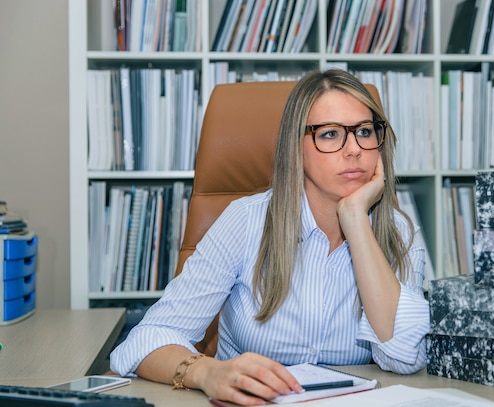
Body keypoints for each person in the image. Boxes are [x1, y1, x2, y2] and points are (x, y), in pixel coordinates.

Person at [110, 69, 430, 406]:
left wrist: (355, 220)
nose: (353, 150)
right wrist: (208, 372)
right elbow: (144, 340)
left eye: (365, 131)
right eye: (330, 134)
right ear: (295, 146)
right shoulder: (246, 221)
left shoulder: (399, 232)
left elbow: (404, 356)